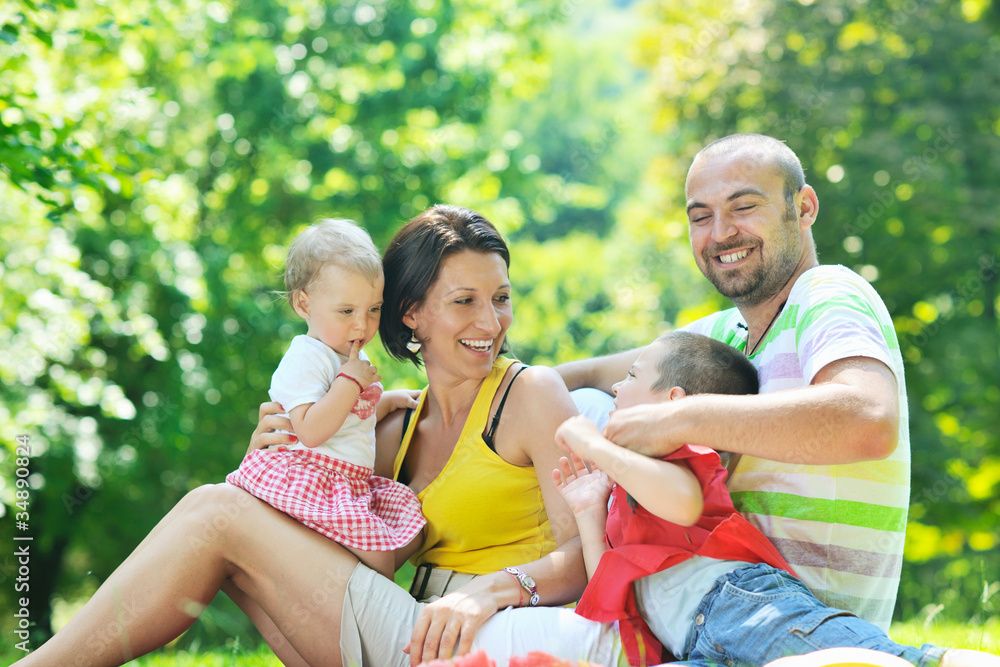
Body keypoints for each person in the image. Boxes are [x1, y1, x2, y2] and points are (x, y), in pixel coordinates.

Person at [15, 205, 624, 667]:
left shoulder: (531, 394)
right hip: (404, 622)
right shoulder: (388, 426)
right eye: (464, 301)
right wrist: (274, 464)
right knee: (226, 518)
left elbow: (584, 554)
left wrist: (493, 590)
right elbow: (329, 541)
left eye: (500, 298)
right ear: (409, 314)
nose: (490, 322)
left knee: (216, 512)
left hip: (474, 631)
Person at [557, 133, 910, 632]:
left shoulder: (826, 292)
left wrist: (682, 418)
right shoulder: (721, 334)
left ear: (803, 207)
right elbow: (590, 374)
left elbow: (870, 420)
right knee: (586, 403)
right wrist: (439, 398)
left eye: (744, 207)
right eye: (701, 217)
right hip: (704, 624)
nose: (721, 233)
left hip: (801, 626)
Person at [553, 331, 999, 667]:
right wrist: (589, 513)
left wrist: (597, 448)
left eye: (630, 377)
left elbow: (682, 504)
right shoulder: (624, 491)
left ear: (672, 403)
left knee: (854, 657)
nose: (615, 387)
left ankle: (939, 661)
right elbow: (606, 595)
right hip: (695, 644)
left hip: (736, 601)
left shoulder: (677, 455)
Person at [224, 218, 425, 580]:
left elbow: (349, 418)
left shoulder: (347, 356)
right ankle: (383, 624)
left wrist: (386, 401)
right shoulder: (307, 357)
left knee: (397, 539)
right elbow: (312, 430)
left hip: (345, 483)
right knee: (378, 559)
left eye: (373, 310)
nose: (361, 326)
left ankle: (360, 618)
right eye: (346, 311)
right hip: (313, 481)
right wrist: (349, 382)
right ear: (304, 304)